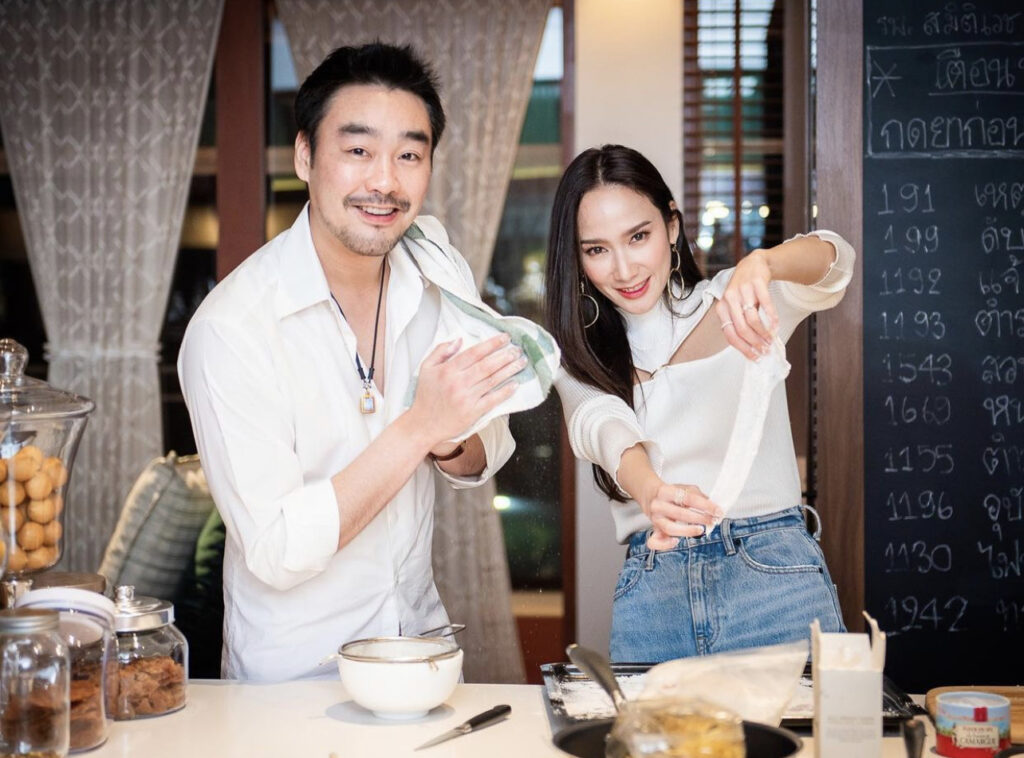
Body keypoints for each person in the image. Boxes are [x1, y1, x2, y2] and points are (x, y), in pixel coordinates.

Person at [178, 43, 557, 681]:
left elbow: (483, 454)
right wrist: (418, 427)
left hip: (420, 656)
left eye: (409, 155)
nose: (384, 181)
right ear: (305, 155)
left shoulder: (435, 272)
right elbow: (275, 549)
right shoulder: (232, 328)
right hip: (295, 684)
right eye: (358, 150)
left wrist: (447, 436)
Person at [546, 144, 852, 663]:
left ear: (671, 226)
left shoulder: (738, 301)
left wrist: (763, 263)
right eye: (596, 249)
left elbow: (836, 261)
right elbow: (603, 426)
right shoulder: (578, 354)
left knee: (807, 720)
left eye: (638, 237)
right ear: (576, 258)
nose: (624, 268)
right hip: (656, 588)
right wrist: (651, 493)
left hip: (774, 576)